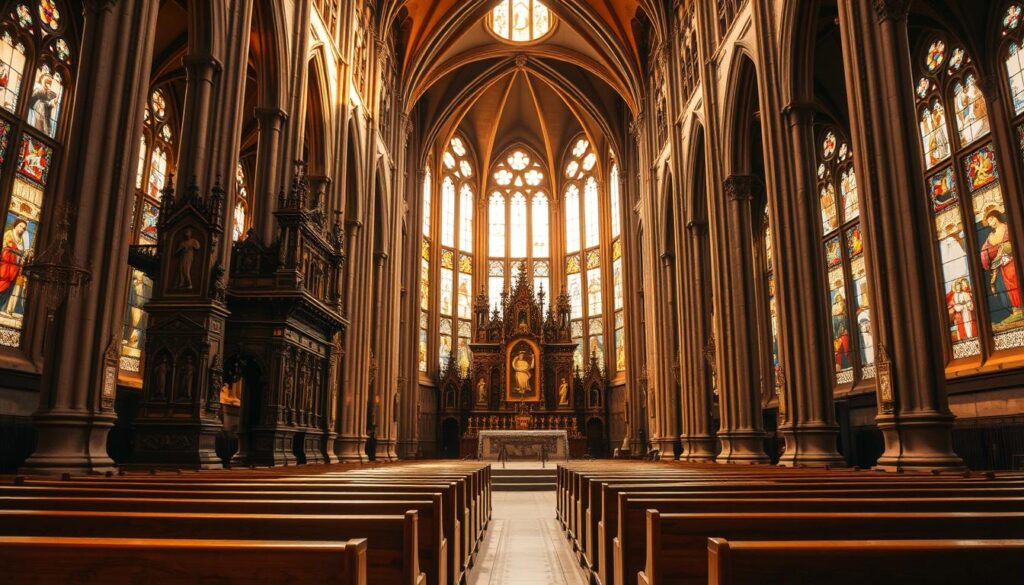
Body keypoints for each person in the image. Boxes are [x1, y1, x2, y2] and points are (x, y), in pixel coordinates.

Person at [980, 210, 1022, 322]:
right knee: (1001, 288)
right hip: (998, 267)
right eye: (988, 221)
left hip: (1011, 262)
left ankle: (1020, 307)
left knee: (1014, 282)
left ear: (996, 217)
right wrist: (986, 255)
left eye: (991, 219)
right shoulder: (990, 236)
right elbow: (984, 251)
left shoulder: (1008, 228)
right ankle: (1015, 310)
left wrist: (1006, 248)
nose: (990, 223)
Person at [0, 220, 28, 314]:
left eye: (24, 228)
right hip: (5, 269)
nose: (22, 229)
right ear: (15, 225)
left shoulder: (22, 240)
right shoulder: (9, 234)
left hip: (15, 271)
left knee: (8, 292)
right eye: (20, 226)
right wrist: (17, 252)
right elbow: (5, 248)